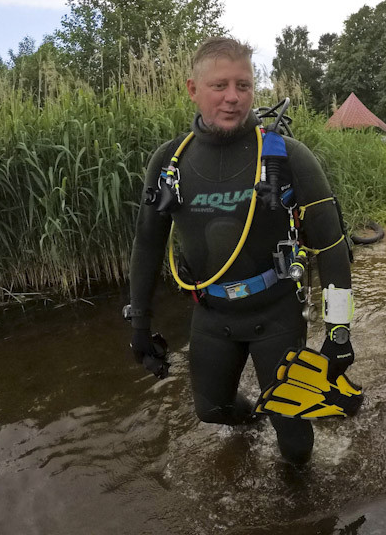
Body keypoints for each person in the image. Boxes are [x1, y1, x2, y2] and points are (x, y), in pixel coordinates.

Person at [127, 36, 356, 464]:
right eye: (220, 86)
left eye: (244, 85)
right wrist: (138, 321)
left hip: (276, 313)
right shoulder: (169, 162)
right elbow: (147, 242)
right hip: (212, 315)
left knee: (294, 443)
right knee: (212, 411)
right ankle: (255, 419)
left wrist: (339, 330)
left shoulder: (288, 157)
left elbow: (332, 247)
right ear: (193, 89)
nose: (233, 98)